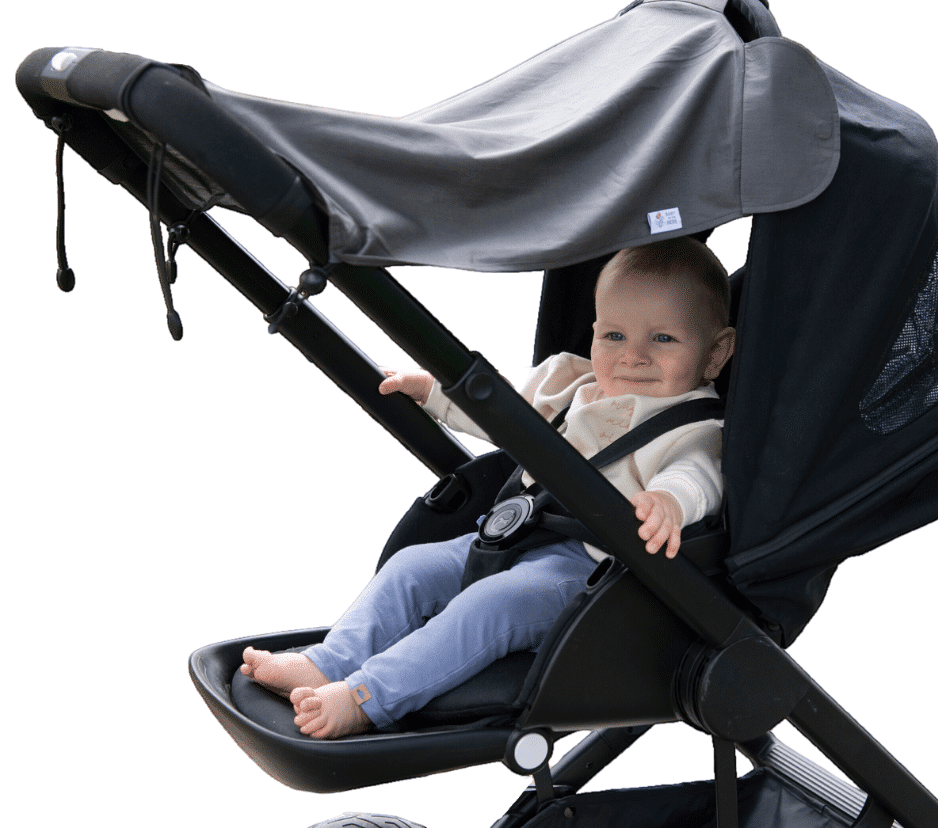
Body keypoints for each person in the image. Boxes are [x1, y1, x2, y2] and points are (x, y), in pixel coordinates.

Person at [241, 237, 736, 739]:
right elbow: (500, 411)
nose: (632, 357)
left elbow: (696, 475)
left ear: (716, 354)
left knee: (491, 605)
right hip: (514, 535)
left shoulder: (696, 426)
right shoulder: (570, 384)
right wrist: (433, 392)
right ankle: (326, 663)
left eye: (663, 339)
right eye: (613, 335)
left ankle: (367, 697)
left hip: (589, 576)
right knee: (412, 568)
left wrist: (668, 503)